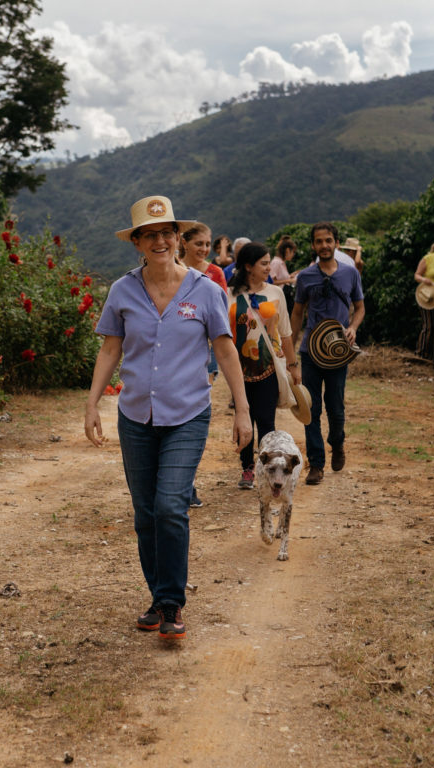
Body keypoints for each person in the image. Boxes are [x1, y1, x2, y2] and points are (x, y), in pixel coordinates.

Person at [84, 195, 252, 640]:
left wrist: (243, 410)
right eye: (149, 234)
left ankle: (173, 601)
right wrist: (92, 403)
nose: (160, 240)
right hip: (136, 415)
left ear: (178, 238)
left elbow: (225, 349)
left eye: (167, 233)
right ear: (137, 242)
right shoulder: (122, 291)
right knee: (144, 513)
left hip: (187, 414)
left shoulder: (207, 291)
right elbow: (110, 349)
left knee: (170, 505)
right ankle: (158, 598)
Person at [291, 222, 365, 485]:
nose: (324, 245)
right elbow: (298, 312)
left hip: (338, 352)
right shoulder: (305, 277)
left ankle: (338, 442)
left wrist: (353, 327)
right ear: (313, 245)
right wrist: (290, 349)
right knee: (310, 407)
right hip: (310, 350)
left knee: (336, 406)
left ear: (336, 243)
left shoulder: (350, 274)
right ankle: (316, 464)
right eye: (319, 241)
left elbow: (360, 307)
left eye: (328, 240)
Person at [227, 242, 301, 490]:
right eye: (264, 263)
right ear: (248, 266)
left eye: (269, 262)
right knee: (244, 418)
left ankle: (266, 468)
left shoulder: (275, 293)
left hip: (269, 368)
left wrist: (292, 365)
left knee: (267, 422)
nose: (270, 267)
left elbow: (286, 333)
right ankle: (247, 468)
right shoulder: (229, 294)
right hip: (239, 370)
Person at [180, 222, 228, 506]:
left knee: (194, 413)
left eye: (208, 244)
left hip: (205, 355)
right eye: (199, 244)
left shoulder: (215, 274)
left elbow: (220, 315)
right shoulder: (171, 270)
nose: (205, 249)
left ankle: (189, 482)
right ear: (184, 243)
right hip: (177, 353)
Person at [414, 234, 434, 365]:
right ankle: (421, 354)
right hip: (428, 297)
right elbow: (417, 275)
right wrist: (424, 279)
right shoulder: (428, 258)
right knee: (429, 326)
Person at [270, 235, 299, 316]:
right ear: (287, 250)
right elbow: (271, 282)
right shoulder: (277, 263)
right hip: (279, 297)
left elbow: (280, 278)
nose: (293, 255)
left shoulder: (281, 263)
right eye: (293, 252)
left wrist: (291, 276)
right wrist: (289, 280)